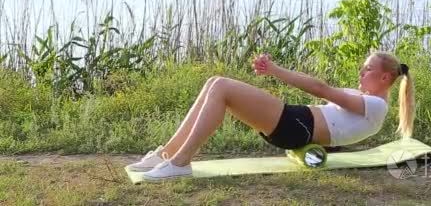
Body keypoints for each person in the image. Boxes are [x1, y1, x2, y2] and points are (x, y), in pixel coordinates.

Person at [126, 51, 415, 181]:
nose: (361, 72)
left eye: (367, 69)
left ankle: (181, 162)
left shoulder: (377, 106)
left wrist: (274, 70)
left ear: (385, 77)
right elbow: (317, 86)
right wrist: (275, 71)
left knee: (223, 87)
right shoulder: (364, 98)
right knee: (215, 83)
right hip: (297, 124)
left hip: (298, 126)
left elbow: (319, 87)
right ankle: (167, 154)